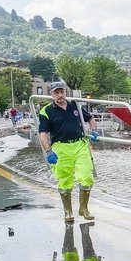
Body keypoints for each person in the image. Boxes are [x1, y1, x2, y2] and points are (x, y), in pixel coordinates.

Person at [38, 81, 100, 223]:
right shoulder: (46, 111)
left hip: (80, 145)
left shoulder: (75, 105)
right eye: (56, 92)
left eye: (62, 92)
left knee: (86, 177)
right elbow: (43, 133)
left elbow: (90, 119)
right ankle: (68, 212)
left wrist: (94, 130)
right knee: (65, 180)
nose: (60, 95)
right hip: (60, 147)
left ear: (65, 92)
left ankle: (84, 208)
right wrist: (48, 151)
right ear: (52, 94)